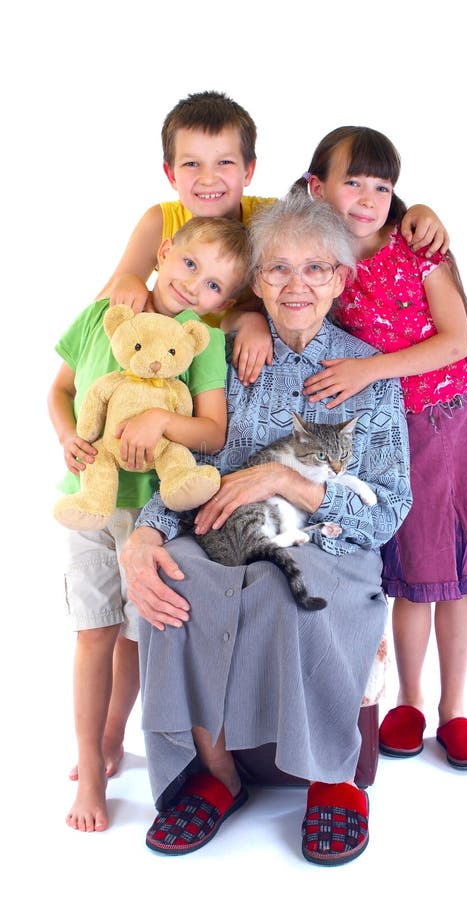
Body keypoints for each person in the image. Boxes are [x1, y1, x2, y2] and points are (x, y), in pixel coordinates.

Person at [120, 192, 412, 866]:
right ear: (256, 282)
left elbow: (389, 508)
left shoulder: (369, 376)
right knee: (177, 576)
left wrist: (289, 483)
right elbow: (186, 463)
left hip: (330, 541)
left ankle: (329, 777)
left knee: (301, 589)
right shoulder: (218, 359)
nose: (296, 285)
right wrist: (144, 536)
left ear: (341, 278)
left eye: (315, 269)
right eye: (277, 269)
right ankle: (216, 776)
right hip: (221, 531)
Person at [295, 126, 467, 768]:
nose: (371, 197)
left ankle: (455, 709)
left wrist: (368, 371)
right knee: (411, 570)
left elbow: (456, 342)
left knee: (455, 573)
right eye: (354, 182)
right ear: (318, 186)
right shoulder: (319, 260)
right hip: (395, 431)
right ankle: (409, 699)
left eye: (384, 185)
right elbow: (267, 283)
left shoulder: (416, 249)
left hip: (458, 415)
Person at [48, 215, 251, 833]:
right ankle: (88, 757)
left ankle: (113, 739)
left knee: (138, 635)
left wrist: (161, 425)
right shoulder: (102, 315)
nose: (196, 287)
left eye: (216, 286)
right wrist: (65, 437)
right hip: (91, 500)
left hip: (154, 512)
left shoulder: (202, 343)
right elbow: (59, 390)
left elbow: (213, 431)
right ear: (165, 252)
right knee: (93, 631)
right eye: (190, 265)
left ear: (228, 302)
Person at [96, 90, 449, 325]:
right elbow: (106, 299)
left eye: (224, 163)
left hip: (241, 365)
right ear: (170, 174)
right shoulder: (160, 221)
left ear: (249, 170)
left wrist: (413, 212)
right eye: (191, 165)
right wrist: (129, 282)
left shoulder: (269, 218)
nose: (208, 179)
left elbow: (339, 219)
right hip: (168, 358)